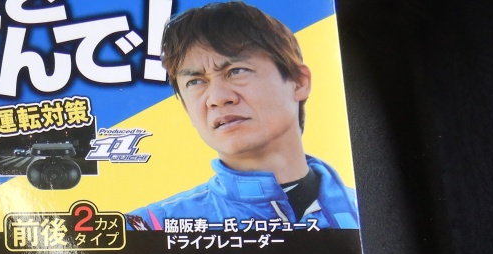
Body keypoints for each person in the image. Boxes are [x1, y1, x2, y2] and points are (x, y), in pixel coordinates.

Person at [128, 1, 359, 230]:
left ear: (298, 82)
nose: (217, 98)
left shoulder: (368, 216)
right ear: (187, 109)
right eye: (195, 82)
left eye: (236, 71)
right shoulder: (146, 228)